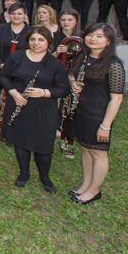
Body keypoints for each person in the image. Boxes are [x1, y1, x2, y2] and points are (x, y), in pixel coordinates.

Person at [0, 26, 69, 193]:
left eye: (41, 40)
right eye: (33, 39)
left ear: (48, 42)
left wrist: (44, 92)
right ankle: (24, 173)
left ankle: (44, 177)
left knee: (43, 144)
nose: (36, 43)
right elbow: (3, 76)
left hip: (44, 109)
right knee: (21, 141)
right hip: (19, 104)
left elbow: (64, 89)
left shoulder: (55, 64)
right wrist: (14, 93)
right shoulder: (17, 57)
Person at [69, 23, 126, 205]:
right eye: (91, 35)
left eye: (100, 36)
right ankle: (86, 184)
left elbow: (116, 99)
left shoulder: (113, 65)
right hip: (83, 110)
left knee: (98, 152)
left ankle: (94, 191)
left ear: (108, 41)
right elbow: (72, 73)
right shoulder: (84, 57)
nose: (93, 38)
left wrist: (105, 125)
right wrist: (73, 83)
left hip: (98, 114)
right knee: (86, 149)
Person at [0, 3, 31, 141]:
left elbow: (33, 51)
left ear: (25, 15)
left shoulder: (31, 31)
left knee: (13, 103)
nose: (16, 16)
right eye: (13, 13)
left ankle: (11, 133)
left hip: (20, 74)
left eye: (19, 13)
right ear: (9, 15)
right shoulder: (0, 29)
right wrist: (1, 64)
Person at [55, 8, 81, 159]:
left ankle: (67, 142)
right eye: (63, 20)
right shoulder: (56, 36)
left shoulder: (82, 37)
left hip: (75, 79)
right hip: (58, 77)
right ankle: (55, 130)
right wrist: (57, 52)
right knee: (57, 107)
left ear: (76, 21)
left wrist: (73, 77)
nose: (66, 23)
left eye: (69, 20)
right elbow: (48, 58)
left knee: (71, 109)